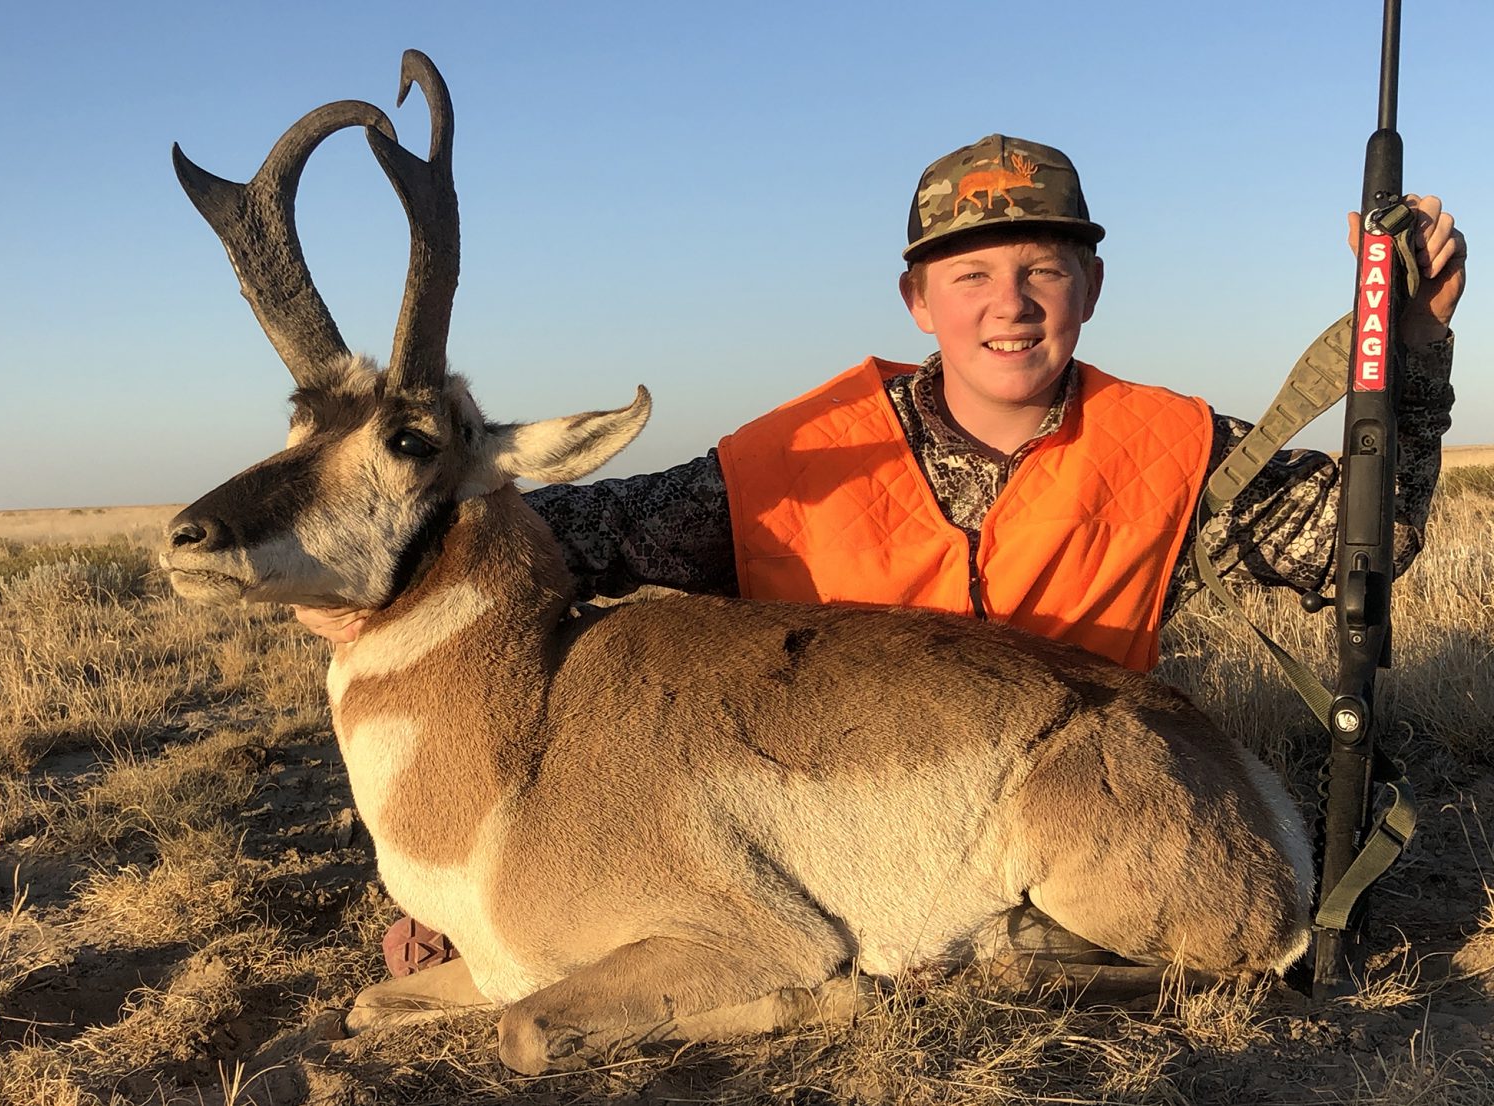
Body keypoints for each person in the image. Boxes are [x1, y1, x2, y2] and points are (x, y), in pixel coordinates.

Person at [296, 135, 1465, 972]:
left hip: (1086, 789)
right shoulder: (789, 456)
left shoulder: (1172, 445)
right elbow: (553, 551)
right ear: (919, 298)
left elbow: (1347, 550)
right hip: (839, 830)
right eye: (970, 275)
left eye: (1042, 268)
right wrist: (372, 592)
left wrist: (1411, 357)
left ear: (1091, 286)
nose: (1009, 304)